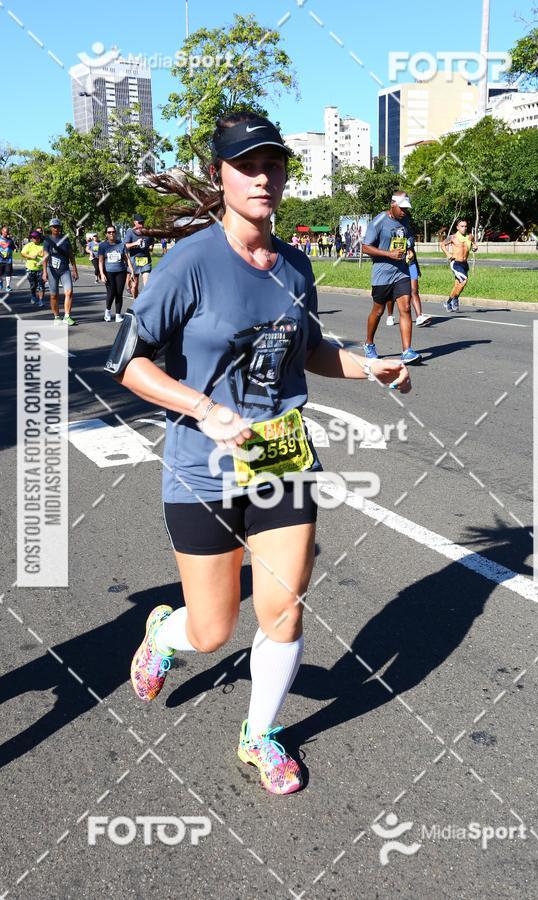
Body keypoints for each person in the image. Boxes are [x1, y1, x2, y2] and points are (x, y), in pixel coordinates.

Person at [105, 111, 410, 796]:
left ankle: (260, 734)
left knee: (284, 611)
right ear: (220, 177)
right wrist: (203, 408)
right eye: (247, 166)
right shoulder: (189, 264)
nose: (263, 177)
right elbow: (130, 364)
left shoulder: (295, 265)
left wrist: (371, 366)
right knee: (212, 632)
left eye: (273, 164)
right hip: (201, 470)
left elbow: (307, 352)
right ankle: (163, 636)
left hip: (282, 461)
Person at [361, 193, 422, 364]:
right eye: (401, 208)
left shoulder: (405, 220)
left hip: (401, 272)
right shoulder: (379, 221)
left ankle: (407, 351)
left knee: (405, 308)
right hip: (382, 274)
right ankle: (369, 343)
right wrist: (389, 254)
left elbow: (409, 238)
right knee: (378, 311)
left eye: (406, 209)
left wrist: (409, 248)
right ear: (392, 205)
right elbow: (365, 247)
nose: (404, 212)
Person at [42, 218, 79, 325]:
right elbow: (45, 257)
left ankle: (67, 316)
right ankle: (57, 316)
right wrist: (44, 272)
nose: (56, 228)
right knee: (54, 295)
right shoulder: (47, 240)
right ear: (50, 228)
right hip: (52, 270)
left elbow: (71, 255)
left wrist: (74, 269)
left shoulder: (65, 239)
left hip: (64, 270)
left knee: (69, 292)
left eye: (57, 226)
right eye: (54, 227)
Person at [98, 225, 134, 322]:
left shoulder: (121, 245)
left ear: (116, 233)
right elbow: (101, 261)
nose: (111, 234)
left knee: (119, 293)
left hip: (120, 272)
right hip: (108, 272)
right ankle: (108, 312)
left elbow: (127, 258)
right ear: (106, 234)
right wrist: (102, 274)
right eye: (109, 232)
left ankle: (118, 315)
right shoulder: (102, 246)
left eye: (113, 232)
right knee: (111, 293)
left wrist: (132, 271)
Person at [440, 219, 478, 312]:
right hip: (455, 263)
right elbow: (442, 244)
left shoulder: (470, 237)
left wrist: (475, 247)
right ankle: (455, 299)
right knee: (464, 280)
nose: (464, 228)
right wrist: (448, 254)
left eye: (465, 226)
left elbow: (474, 246)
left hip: (465, 264)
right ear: (457, 227)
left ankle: (448, 302)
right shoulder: (453, 237)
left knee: (458, 285)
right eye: (462, 226)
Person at [124, 214, 155, 299]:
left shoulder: (147, 232)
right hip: (134, 260)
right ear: (135, 222)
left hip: (145, 260)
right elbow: (125, 246)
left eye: (142, 222)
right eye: (140, 222)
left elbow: (152, 242)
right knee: (135, 285)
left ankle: (145, 302)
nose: (142, 224)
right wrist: (135, 243)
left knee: (147, 283)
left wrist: (151, 246)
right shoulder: (130, 232)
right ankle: (135, 300)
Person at [21, 230, 45, 307]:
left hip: (41, 268)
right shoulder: (29, 245)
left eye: (35, 237)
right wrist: (31, 256)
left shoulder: (43, 245)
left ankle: (41, 300)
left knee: (41, 285)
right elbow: (22, 253)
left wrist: (43, 256)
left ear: (39, 238)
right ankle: (33, 296)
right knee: (33, 285)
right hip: (30, 268)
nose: (33, 239)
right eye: (32, 237)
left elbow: (48, 255)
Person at [0, 225, 16, 293]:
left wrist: (15, 249)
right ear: (1, 232)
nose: (6, 233)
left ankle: (8, 286)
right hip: (0, 260)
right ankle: (0, 282)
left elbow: (13, 247)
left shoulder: (10, 240)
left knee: (8, 273)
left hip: (8, 260)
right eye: (4, 232)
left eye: (7, 232)